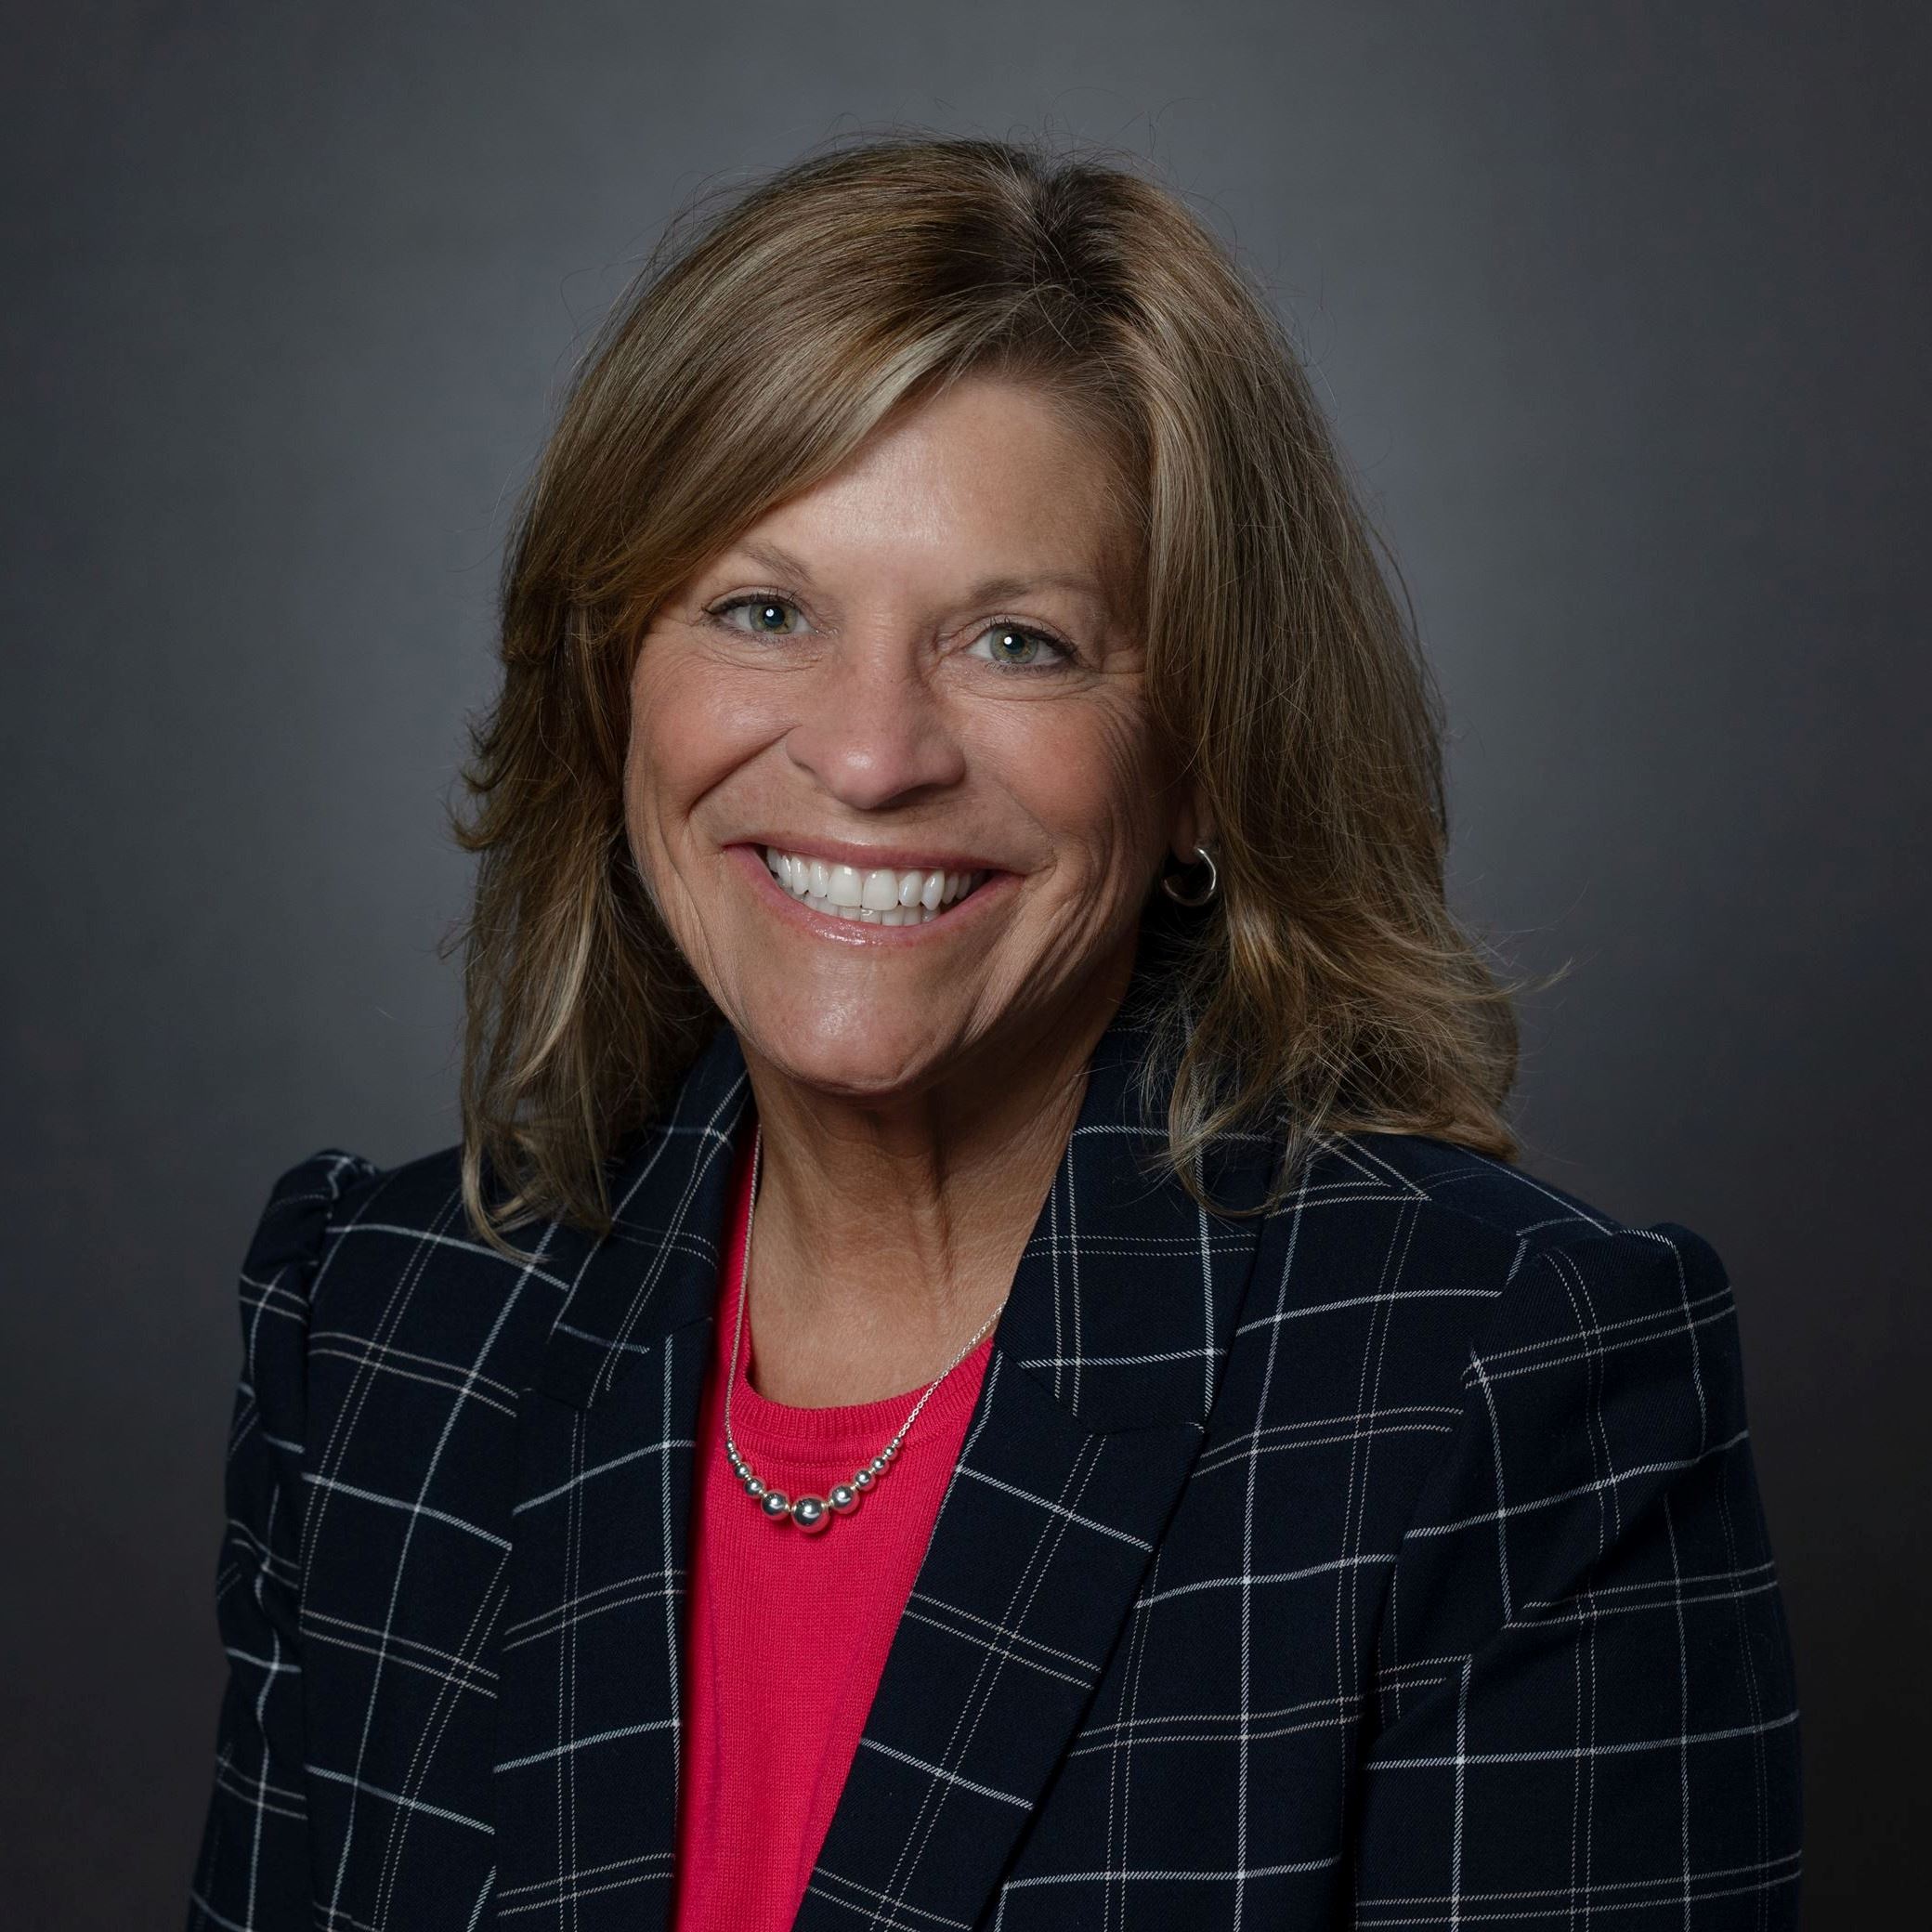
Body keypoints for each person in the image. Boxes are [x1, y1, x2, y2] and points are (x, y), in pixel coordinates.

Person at [185, 134, 1801, 1932]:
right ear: (610, 685)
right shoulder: (385, 1334)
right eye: (763, 609)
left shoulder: (1493, 1388)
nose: (870, 753)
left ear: (1198, 752)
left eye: (1016, 641)